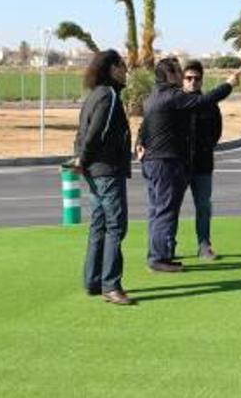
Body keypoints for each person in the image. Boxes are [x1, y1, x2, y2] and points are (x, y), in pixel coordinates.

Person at [136, 57, 239, 272]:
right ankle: (159, 258)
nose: (186, 78)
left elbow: (146, 126)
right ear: (170, 75)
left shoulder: (153, 97)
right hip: (167, 163)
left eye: (194, 77)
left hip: (163, 162)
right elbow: (206, 100)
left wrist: (140, 143)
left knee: (158, 210)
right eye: (180, 73)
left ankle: (160, 253)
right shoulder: (173, 97)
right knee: (164, 210)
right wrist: (229, 84)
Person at [71, 49, 133, 306]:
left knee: (99, 224)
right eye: (122, 66)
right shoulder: (108, 96)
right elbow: (96, 132)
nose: (126, 71)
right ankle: (111, 284)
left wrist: (81, 160)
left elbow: (81, 133)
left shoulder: (94, 96)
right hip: (106, 171)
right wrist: (82, 159)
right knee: (116, 225)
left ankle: (93, 280)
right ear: (112, 69)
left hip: (96, 171)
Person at [181, 60, 222, 261]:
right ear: (182, 80)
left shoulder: (210, 105)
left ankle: (204, 244)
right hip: (178, 165)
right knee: (171, 206)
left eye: (197, 78)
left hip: (202, 165)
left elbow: (216, 132)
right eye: (188, 78)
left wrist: (205, 147)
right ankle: (167, 246)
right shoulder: (176, 102)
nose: (193, 82)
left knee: (203, 206)